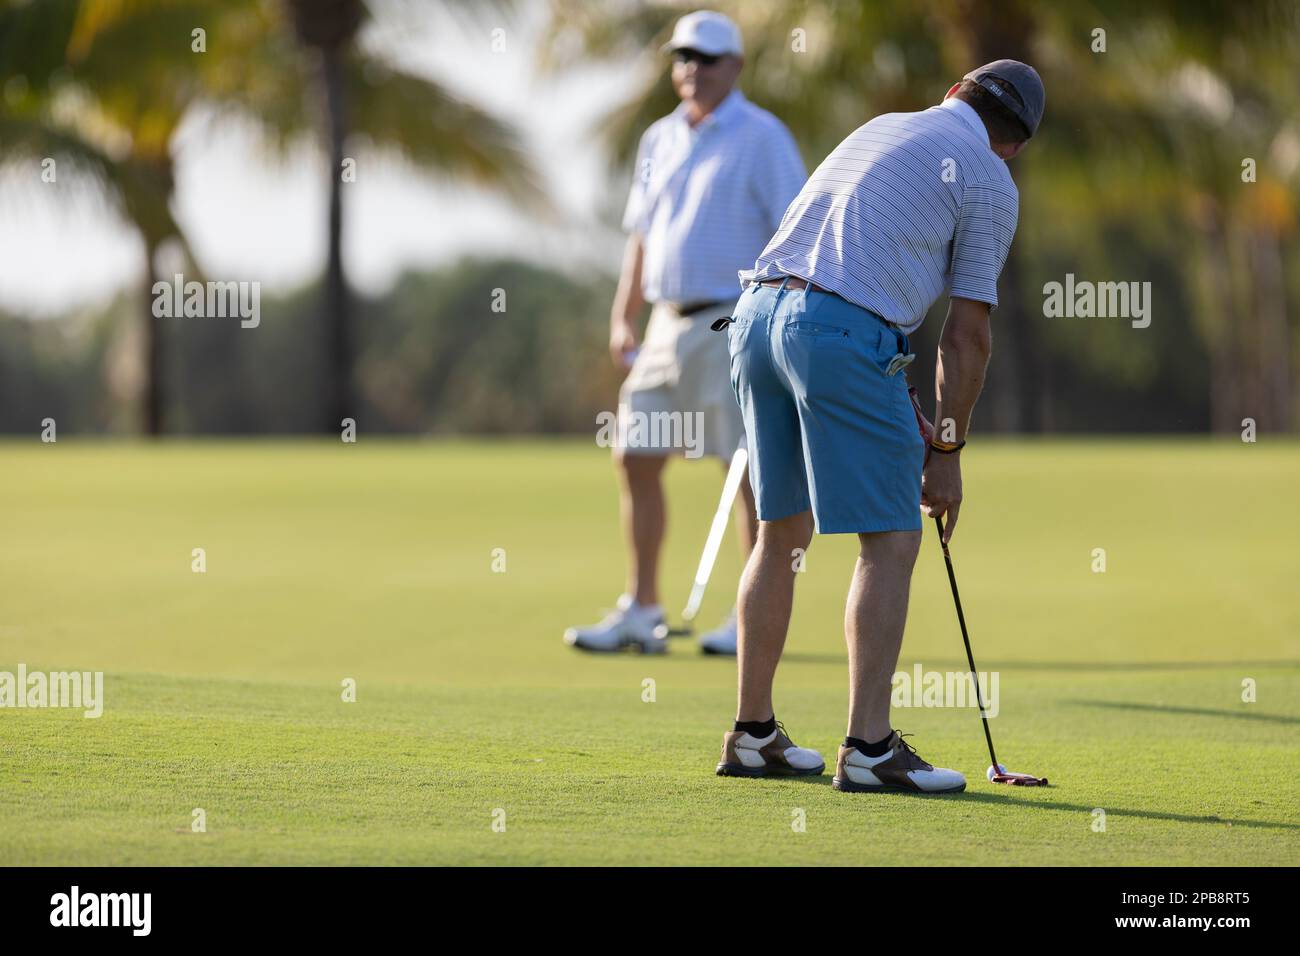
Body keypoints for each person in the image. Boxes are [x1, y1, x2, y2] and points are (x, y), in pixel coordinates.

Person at [714, 61, 1044, 790]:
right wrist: (948, 451)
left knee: (780, 533)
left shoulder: (884, 127)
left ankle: (752, 733)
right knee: (892, 538)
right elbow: (967, 338)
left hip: (756, 319)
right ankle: (868, 748)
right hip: (836, 332)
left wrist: (892, 388)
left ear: (953, 90)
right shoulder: (991, 180)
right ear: (1015, 144)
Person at [564, 11, 806, 656]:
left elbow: (794, 234)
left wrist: (774, 324)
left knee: (745, 471)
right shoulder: (659, 139)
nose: (692, 69)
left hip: (733, 319)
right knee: (635, 457)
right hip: (664, 326)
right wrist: (624, 316)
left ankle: (747, 616)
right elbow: (641, 234)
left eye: (706, 58)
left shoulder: (763, 137)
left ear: (736, 66)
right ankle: (642, 609)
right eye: (682, 58)